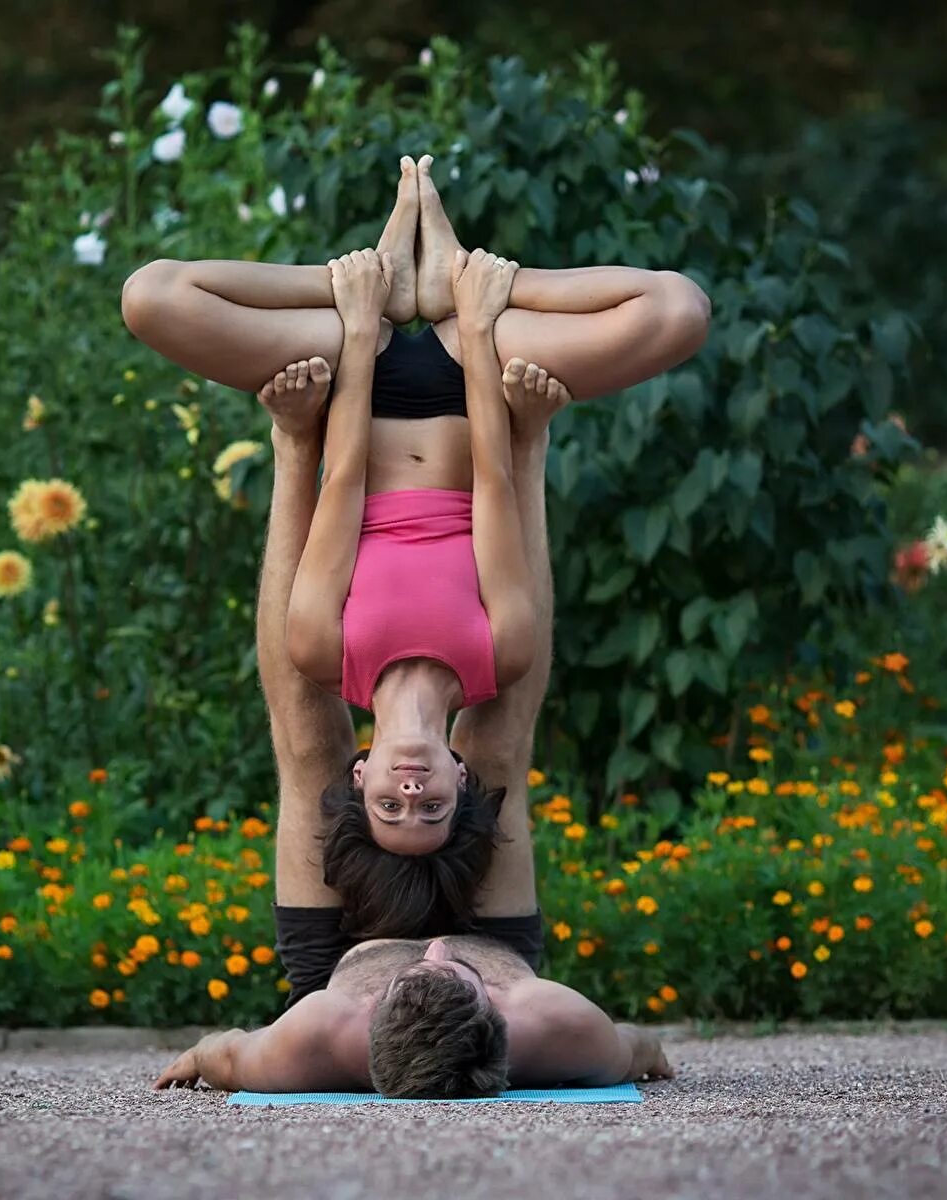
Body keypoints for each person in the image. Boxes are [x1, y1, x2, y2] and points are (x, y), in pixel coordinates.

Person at [120, 156, 709, 932]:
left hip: (348, 375)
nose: (410, 786)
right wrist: (475, 314)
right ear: (461, 781)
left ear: (357, 777)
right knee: (678, 309)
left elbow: (344, 483)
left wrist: (362, 320)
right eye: (428, 805)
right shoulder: (502, 653)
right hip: (477, 381)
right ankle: (466, 272)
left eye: (390, 803)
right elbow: (495, 485)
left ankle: (372, 275)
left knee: (152, 297)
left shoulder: (322, 651)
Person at [152, 337, 673, 1097]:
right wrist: (645, 1053)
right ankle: (531, 441)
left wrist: (201, 1055)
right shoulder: (556, 1028)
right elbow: (637, 1049)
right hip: (496, 939)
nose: (433, 951)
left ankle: (291, 439)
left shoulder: (313, 1041)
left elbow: (223, 1051)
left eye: (419, 974)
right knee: (495, 752)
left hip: (342, 960)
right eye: (455, 976)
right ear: (499, 1016)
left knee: (309, 746)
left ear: (363, 1033)